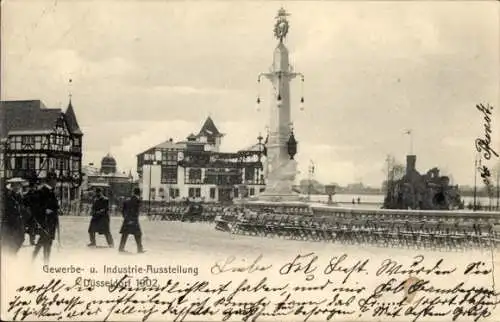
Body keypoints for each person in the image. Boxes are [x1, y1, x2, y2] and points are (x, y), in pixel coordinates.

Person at [32, 171, 59, 264]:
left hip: (51, 221)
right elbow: (36, 206)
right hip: (45, 220)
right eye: (54, 180)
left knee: (47, 241)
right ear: (50, 180)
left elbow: (54, 205)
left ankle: (43, 260)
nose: (56, 182)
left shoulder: (51, 191)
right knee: (44, 241)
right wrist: (45, 210)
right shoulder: (42, 191)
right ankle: (40, 260)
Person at [1, 178, 27, 255]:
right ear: (12, 186)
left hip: (19, 221)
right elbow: (6, 208)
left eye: (19, 186)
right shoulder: (8, 196)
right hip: (10, 221)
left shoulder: (19, 196)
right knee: (10, 239)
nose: (18, 187)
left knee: (21, 238)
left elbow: (22, 207)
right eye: (16, 186)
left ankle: (12, 252)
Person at [118, 188, 145, 253]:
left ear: (133, 192)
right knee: (138, 234)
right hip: (134, 220)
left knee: (125, 234)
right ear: (139, 193)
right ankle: (140, 249)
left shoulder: (126, 200)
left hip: (127, 220)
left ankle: (121, 248)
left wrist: (126, 218)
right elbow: (135, 212)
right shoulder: (138, 200)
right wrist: (132, 220)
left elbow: (123, 211)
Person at [23, 177, 40, 246]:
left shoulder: (37, 195)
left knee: (34, 227)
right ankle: (30, 240)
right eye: (32, 187)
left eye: (34, 187)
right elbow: (24, 204)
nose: (33, 188)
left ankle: (32, 240)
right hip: (29, 213)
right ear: (30, 187)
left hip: (35, 213)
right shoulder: (27, 195)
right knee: (30, 227)